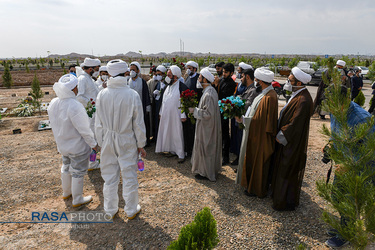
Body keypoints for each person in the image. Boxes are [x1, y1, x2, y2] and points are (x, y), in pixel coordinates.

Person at [95, 59, 146, 220]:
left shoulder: (102, 94)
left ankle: (110, 210)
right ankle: (131, 209)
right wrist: (141, 144)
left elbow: (98, 123)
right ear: (125, 73)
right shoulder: (132, 95)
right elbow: (138, 124)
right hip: (126, 139)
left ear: (109, 74)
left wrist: (102, 143)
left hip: (108, 139)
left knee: (110, 176)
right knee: (129, 174)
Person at [325, 86, 375, 248]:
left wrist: (350, 163)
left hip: (361, 166)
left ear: (346, 100)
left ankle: (347, 232)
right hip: (343, 163)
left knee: (350, 198)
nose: (331, 107)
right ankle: (344, 224)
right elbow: (336, 133)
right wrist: (330, 145)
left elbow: (370, 149)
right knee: (336, 196)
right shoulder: (336, 110)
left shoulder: (361, 119)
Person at [48, 74, 97, 208]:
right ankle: (77, 199)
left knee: (66, 168)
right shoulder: (75, 105)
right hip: (77, 146)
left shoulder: (53, 103)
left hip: (62, 145)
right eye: (76, 87)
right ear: (72, 89)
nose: (77, 90)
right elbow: (84, 130)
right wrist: (94, 144)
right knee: (78, 171)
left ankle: (66, 193)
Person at [271, 67, 314, 211]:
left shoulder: (303, 99)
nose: (287, 83)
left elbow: (295, 123)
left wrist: (281, 135)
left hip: (291, 143)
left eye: (290, 81)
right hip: (288, 141)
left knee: (287, 169)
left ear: (299, 83)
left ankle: (284, 202)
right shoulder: (298, 94)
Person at [235, 68, 278, 198]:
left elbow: (263, 121)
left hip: (261, 137)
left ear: (261, 81)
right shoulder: (264, 93)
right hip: (255, 134)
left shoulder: (270, 97)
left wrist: (244, 120)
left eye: (257, 80)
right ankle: (250, 185)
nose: (255, 82)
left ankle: (257, 189)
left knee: (259, 164)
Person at [190, 68, 222, 181]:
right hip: (206, 126)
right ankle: (204, 170)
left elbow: (208, 114)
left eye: (199, 78)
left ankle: (206, 173)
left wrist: (194, 111)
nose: (198, 79)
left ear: (205, 79)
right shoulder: (208, 92)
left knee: (207, 149)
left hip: (207, 128)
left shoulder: (209, 94)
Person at [155, 65, 188, 163]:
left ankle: (181, 154)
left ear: (175, 76)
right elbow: (163, 101)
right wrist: (161, 113)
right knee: (168, 133)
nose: (167, 77)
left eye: (169, 75)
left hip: (176, 116)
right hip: (166, 116)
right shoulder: (167, 87)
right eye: (167, 75)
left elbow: (184, 103)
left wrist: (183, 115)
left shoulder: (182, 87)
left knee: (177, 134)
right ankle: (170, 150)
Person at [230, 68, 261, 166]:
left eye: (242, 76)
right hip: (240, 121)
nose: (241, 79)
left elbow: (246, 106)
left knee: (244, 144)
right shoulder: (248, 89)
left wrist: (236, 100)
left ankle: (242, 165)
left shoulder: (253, 91)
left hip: (244, 122)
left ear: (247, 77)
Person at [77, 57, 101, 170]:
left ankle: (93, 160)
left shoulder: (89, 78)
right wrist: (91, 105)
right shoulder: (82, 79)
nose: (97, 71)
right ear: (90, 68)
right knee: (91, 138)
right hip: (89, 113)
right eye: (96, 69)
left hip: (94, 113)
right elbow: (80, 96)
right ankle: (91, 163)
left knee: (94, 137)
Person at [214, 63, 236, 165]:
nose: (223, 74)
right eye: (223, 72)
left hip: (225, 111)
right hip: (217, 110)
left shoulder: (231, 83)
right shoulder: (222, 80)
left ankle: (225, 156)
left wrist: (217, 85)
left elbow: (224, 96)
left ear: (231, 73)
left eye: (226, 72)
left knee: (225, 133)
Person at [129, 61, 152, 146]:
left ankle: (144, 142)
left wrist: (147, 106)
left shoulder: (142, 81)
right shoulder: (127, 81)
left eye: (134, 70)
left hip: (141, 106)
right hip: (130, 108)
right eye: (130, 70)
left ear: (138, 71)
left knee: (142, 124)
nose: (132, 72)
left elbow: (146, 95)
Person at [183, 61, 201, 158]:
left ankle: (194, 151)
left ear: (195, 69)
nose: (188, 70)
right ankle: (188, 149)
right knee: (187, 130)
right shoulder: (187, 78)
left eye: (190, 68)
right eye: (187, 68)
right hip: (187, 108)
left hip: (194, 109)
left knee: (193, 130)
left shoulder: (198, 79)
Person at [147, 65, 167, 142]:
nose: (158, 76)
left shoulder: (166, 83)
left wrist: (161, 94)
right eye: (157, 74)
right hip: (157, 106)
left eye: (160, 74)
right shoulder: (158, 83)